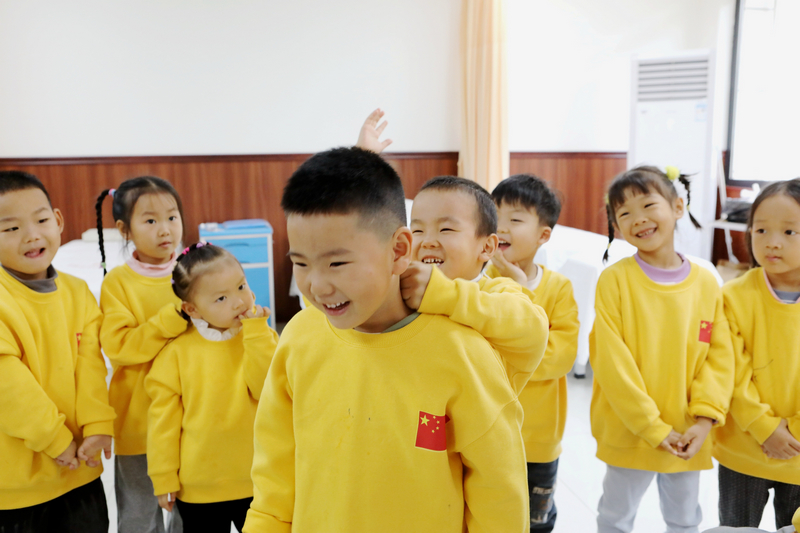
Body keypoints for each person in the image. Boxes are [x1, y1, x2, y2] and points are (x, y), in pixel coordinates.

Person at [243, 147, 528, 533]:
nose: (316, 285)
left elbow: (499, 495)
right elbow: (273, 478)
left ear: (398, 250)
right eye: (301, 263)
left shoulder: (463, 352)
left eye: (337, 263)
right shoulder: (298, 338)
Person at [357, 109, 549, 396]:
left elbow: (532, 328)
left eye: (446, 230)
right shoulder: (400, 289)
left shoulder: (497, 293)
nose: (428, 241)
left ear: (486, 247)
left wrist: (443, 293)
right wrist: (363, 167)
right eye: (418, 230)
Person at [590, 166, 734, 533]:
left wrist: (704, 421)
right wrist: (651, 427)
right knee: (615, 518)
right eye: (624, 214)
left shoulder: (705, 282)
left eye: (648, 205)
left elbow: (720, 358)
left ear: (677, 206)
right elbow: (611, 363)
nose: (638, 219)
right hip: (630, 431)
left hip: (688, 434)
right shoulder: (614, 280)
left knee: (685, 520)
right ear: (616, 227)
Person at [0, 170, 116, 532]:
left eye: (41, 219)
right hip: (18, 486)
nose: (32, 235)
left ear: (59, 220)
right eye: (10, 228)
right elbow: (9, 387)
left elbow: (92, 366)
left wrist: (98, 424)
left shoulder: (79, 292)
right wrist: (55, 439)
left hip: (80, 474)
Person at [146, 243, 277, 533]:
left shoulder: (261, 337)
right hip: (200, 489)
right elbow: (162, 425)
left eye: (241, 286)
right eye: (221, 298)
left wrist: (256, 333)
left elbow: (267, 391)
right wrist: (163, 477)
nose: (238, 302)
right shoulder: (176, 355)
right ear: (192, 308)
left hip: (258, 480)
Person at [486, 174, 580, 532]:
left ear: (543, 235)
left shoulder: (557, 288)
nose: (502, 228)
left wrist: (518, 290)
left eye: (515, 218)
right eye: (495, 217)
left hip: (538, 437)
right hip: (487, 429)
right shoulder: (475, 282)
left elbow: (560, 356)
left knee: (537, 519)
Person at [97, 176, 189, 533]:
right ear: (124, 229)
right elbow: (119, 347)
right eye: (150, 220)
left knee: (189, 507)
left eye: (172, 217)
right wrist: (171, 319)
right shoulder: (118, 283)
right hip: (139, 418)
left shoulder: (194, 271)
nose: (165, 229)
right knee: (139, 512)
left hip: (190, 414)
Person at [713, 179, 800, 530]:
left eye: (790, 231)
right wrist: (765, 429)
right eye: (761, 229)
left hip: (797, 451)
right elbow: (728, 370)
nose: (772, 242)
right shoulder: (733, 296)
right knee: (735, 527)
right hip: (743, 450)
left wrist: (791, 432)